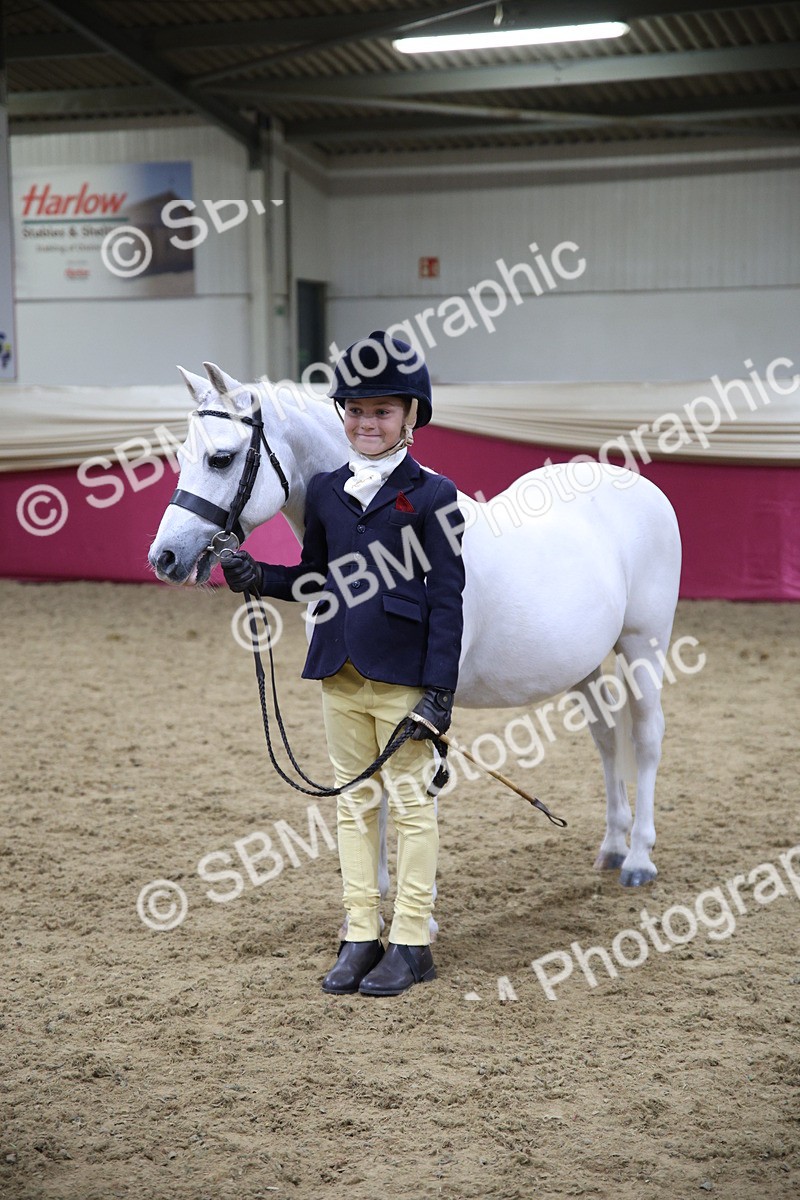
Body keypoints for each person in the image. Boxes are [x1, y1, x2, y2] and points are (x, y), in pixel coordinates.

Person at [221, 330, 465, 997]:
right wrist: (256, 574)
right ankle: (360, 932)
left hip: (405, 678)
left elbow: (448, 602)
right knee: (354, 804)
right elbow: (314, 579)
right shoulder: (326, 491)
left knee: (412, 806)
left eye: (382, 411)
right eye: (356, 411)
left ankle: (412, 940)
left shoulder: (434, 495)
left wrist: (439, 693)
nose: (366, 423)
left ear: (410, 417)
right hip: (339, 672)